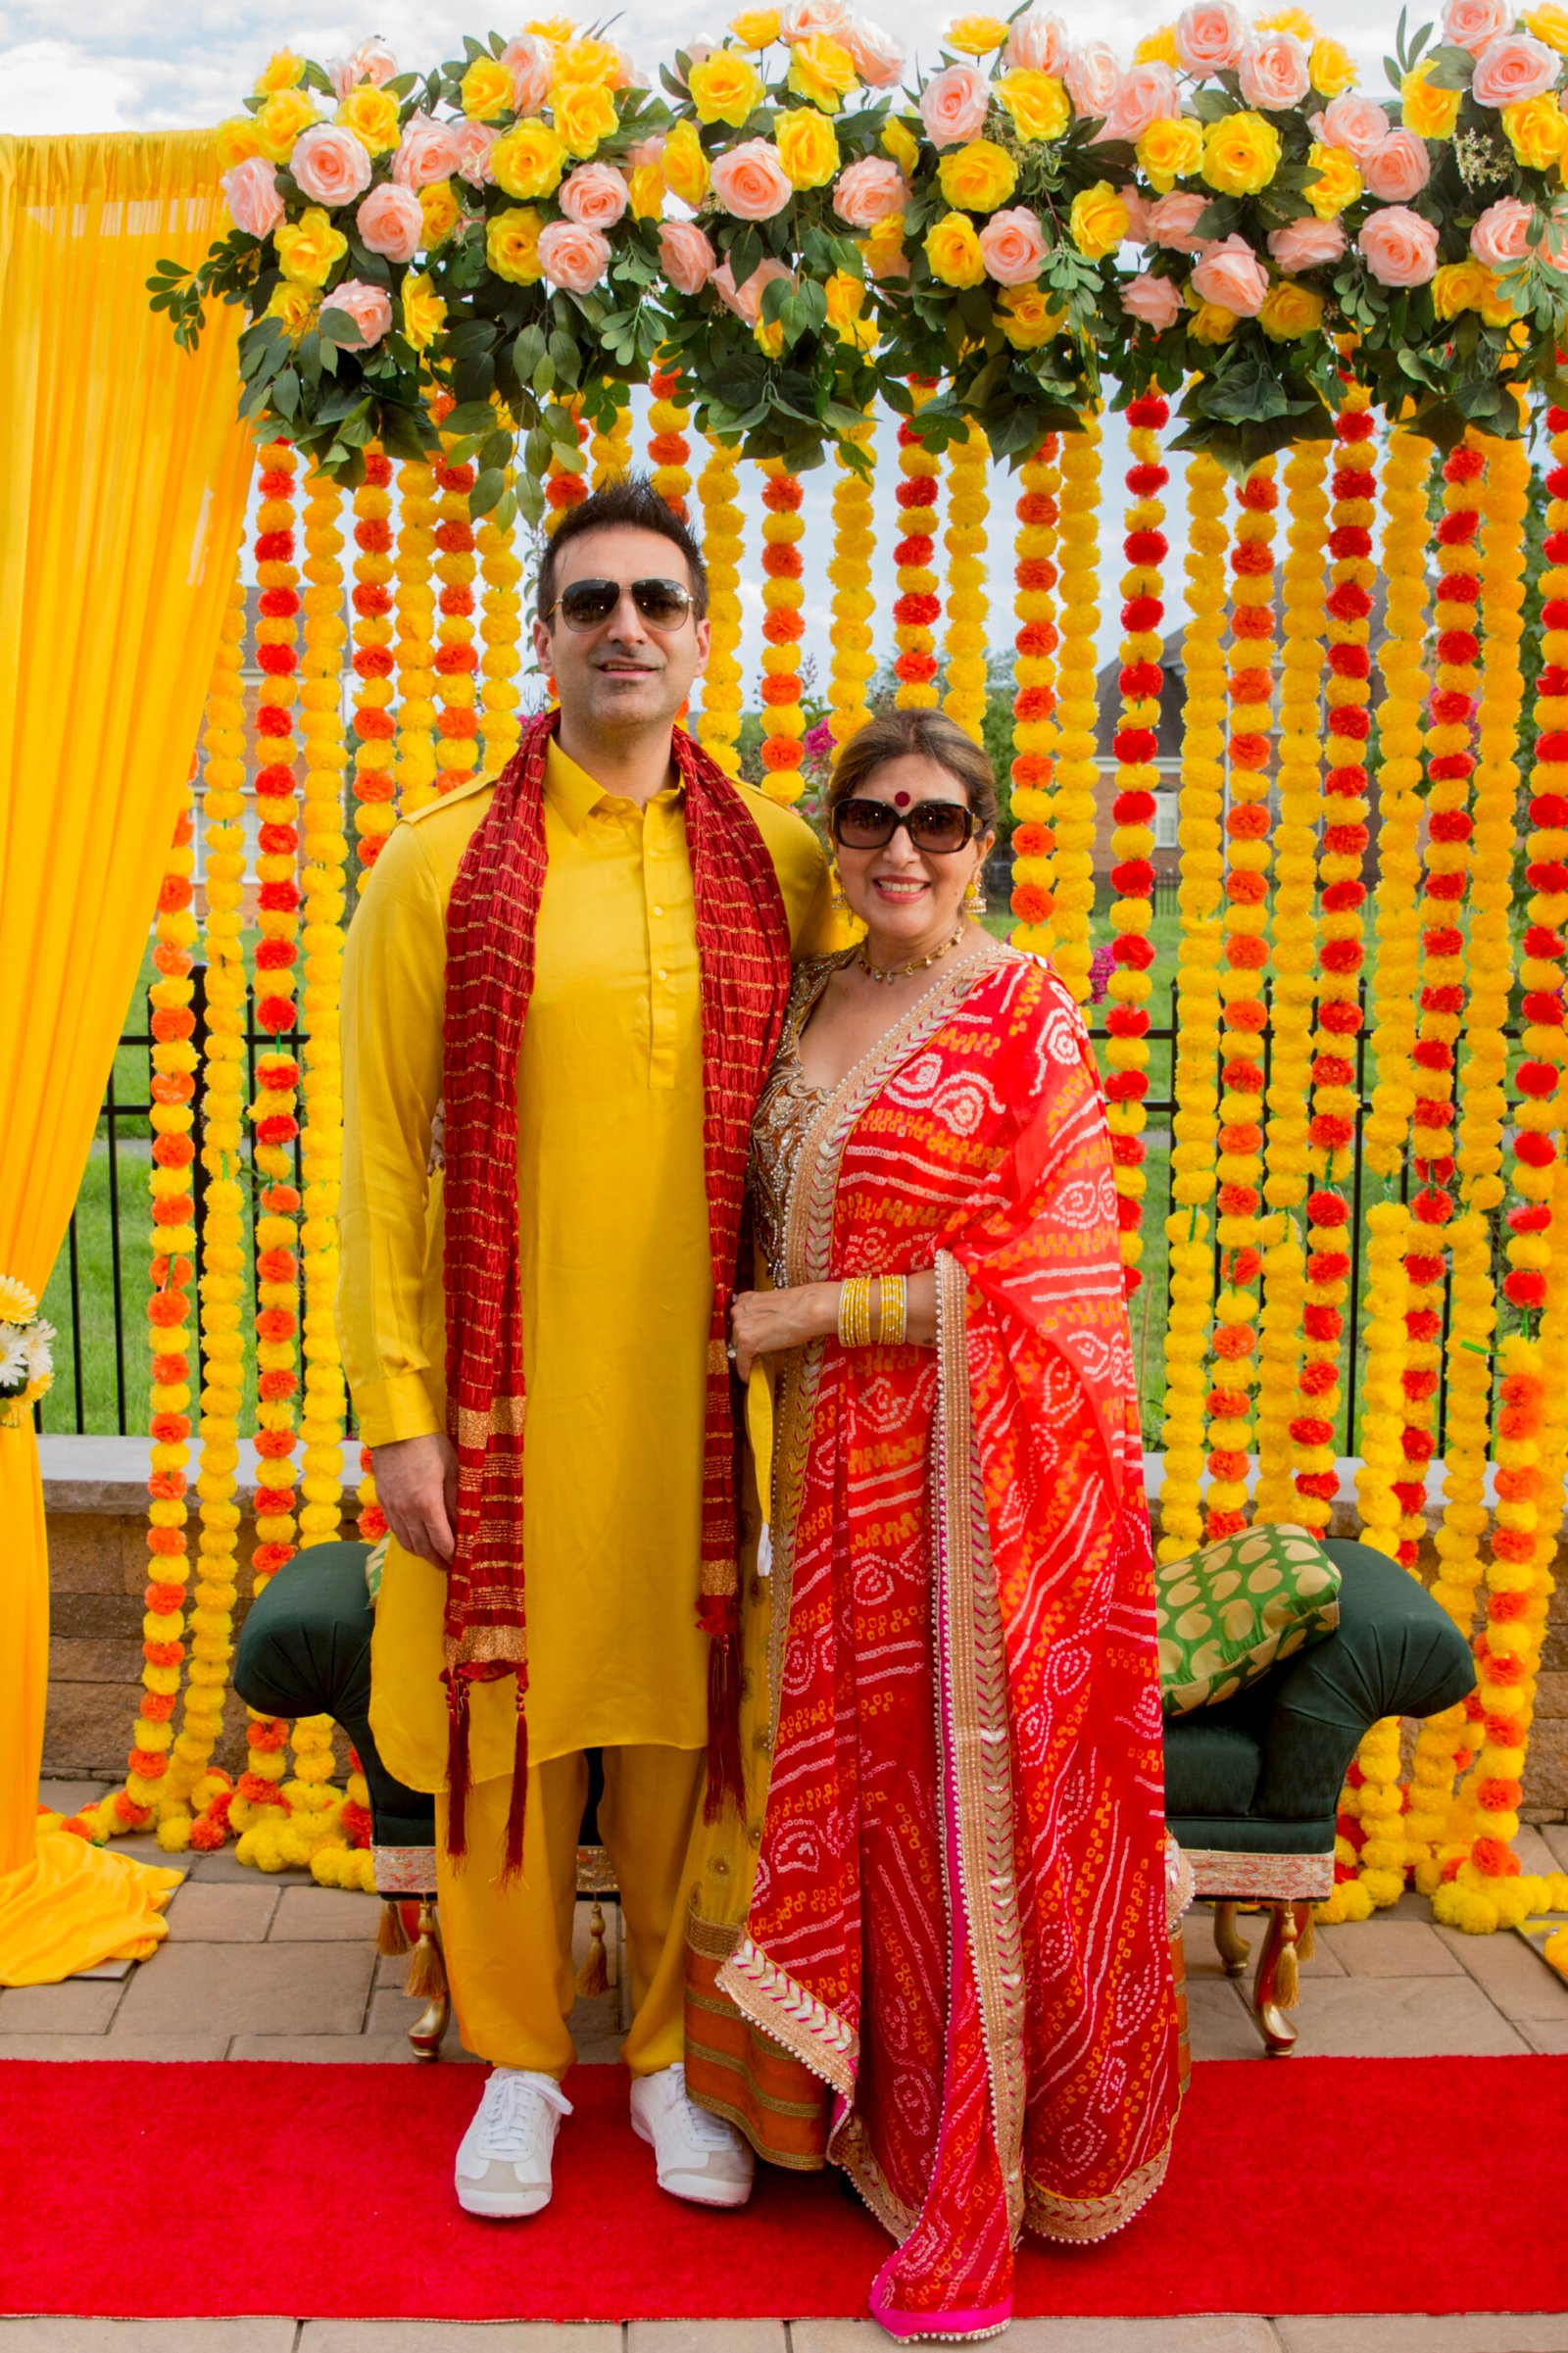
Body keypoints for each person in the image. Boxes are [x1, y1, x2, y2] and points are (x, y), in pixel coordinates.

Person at [337, 476, 834, 2221]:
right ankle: (523, 2062)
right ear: (544, 637)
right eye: (590, 600)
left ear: (701, 637)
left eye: (655, 600)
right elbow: (377, 1153)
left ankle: (672, 2063)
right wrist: (396, 1413)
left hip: (710, 1402)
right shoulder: (434, 863)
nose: (625, 626)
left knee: (694, 1728)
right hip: (507, 1393)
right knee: (512, 1728)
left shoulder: (781, 858)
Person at [684, 710, 1183, 2343]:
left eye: (939, 821)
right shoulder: (806, 996)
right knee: (861, 1793)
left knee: (946, 1791)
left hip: (966, 1495)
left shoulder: (1024, 1012)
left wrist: (818, 1311)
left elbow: (1061, 1277)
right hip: (811, 1478)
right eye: (873, 816)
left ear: (984, 843)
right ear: (835, 835)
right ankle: (860, 2105)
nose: (902, 847)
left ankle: (991, 2133)